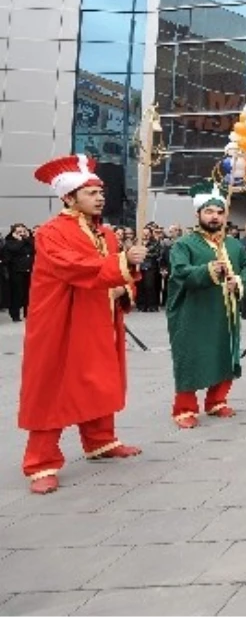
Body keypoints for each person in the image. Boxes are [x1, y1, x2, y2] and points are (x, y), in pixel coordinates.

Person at [19, 155, 145, 494]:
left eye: (100, 191)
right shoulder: (51, 233)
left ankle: (100, 440)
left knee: (100, 376)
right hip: (63, 319)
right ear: (68, 197)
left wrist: (126, 281)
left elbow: (118, 274)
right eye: (90, 192)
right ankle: (41, 462)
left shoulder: (106, 233)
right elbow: (74, 266)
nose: (99, 197)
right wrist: (121, 265)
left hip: (99, 316)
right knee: (54, 385)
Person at [166, 182, 246, 428]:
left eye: (219, 212)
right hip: (193, 313)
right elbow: (180, 273)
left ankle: (217, 400)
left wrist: (238, 281)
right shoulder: (184, 245)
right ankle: (184, 409)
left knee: (224, 351)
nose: (215, 216)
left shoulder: (234, 245)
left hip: (225, 310)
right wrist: (208, 270)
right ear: (198, 214)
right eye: (209, 212)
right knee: (191, 357)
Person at [2, 223, 34, 322]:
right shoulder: (10, 242)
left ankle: (27, 313)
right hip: (16, 271)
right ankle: (15, 315)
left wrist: (27, 238)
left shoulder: (29, 241)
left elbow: (35, 247)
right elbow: (14, 249)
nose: (22, 234)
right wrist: (20, 241)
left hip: (29, 271)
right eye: (19, 232)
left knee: (28, 294)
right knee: (17, 294)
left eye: (23, 231)